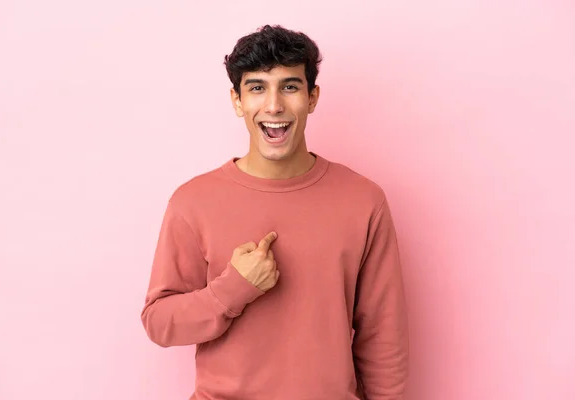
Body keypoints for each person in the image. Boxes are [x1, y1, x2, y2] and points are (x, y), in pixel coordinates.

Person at [141, 24, 409, 400]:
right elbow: (160, 324)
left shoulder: (364, 200)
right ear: (237, 101)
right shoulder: (193, 201)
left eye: (289, 86)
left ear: (312, 97)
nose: (273, 105)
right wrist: (232, 289)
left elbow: (383, 334)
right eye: (256, 87)